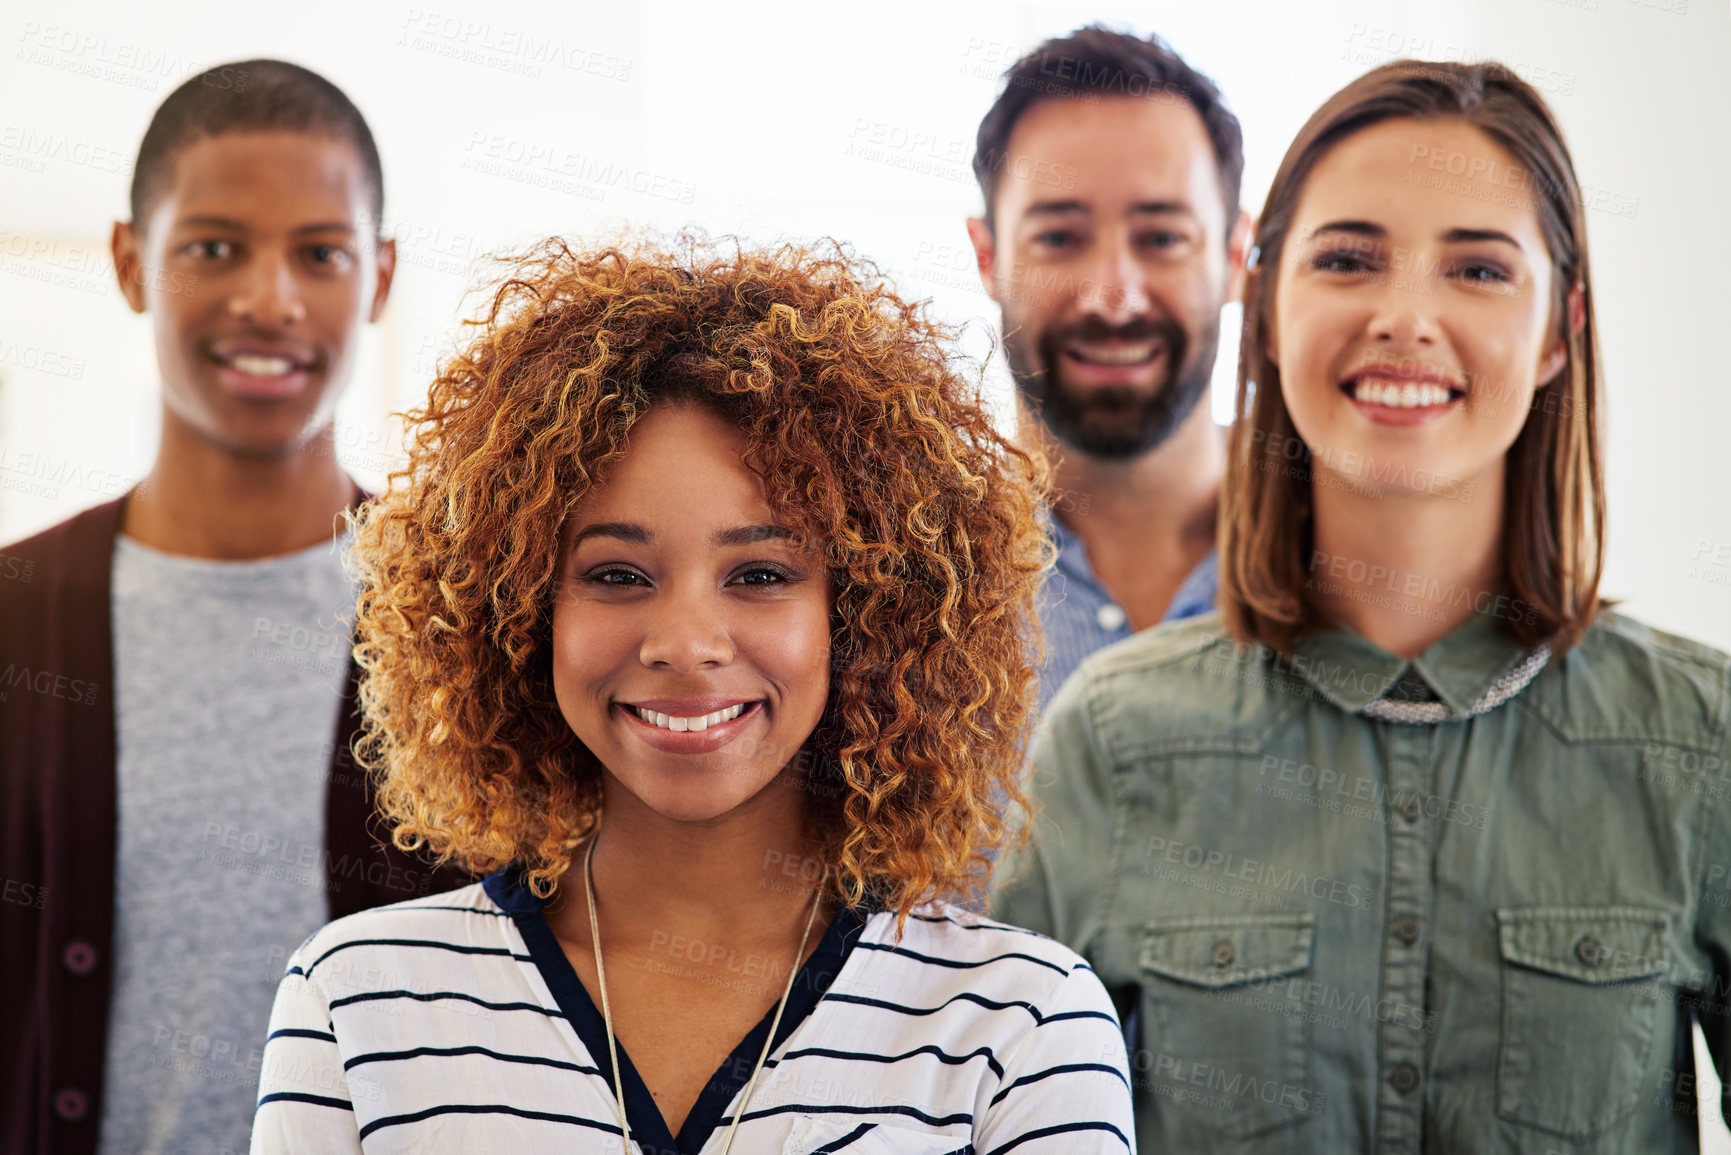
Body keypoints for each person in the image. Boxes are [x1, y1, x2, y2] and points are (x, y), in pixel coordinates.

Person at [249, 235, 1136, 1154]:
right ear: (516, 609)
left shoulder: (1020, 1025)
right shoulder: (358, 1004)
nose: (682, 644)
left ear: (868, 612)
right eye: (617, 573)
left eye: (758, 574)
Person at [993, 58, 1731, 1151]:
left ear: (1558, 332)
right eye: (1347, 259)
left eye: (1478, 270)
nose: (1405, 317)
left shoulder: (1699, 740)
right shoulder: (1111, 742)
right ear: (1269, 301)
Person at [0, 60, 465, 1155]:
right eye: (214, 247)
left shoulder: (461, 618)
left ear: (382, 275)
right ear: (130, 262)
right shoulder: (18, 620)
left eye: (321, 253)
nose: (271, 298)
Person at [965, 25, 1253, 710]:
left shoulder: (1348, 558)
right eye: (1058, 238)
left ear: (1235, 255)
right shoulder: (894, 582)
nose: (1112, 298)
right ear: (986, 256)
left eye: (1161, 237)